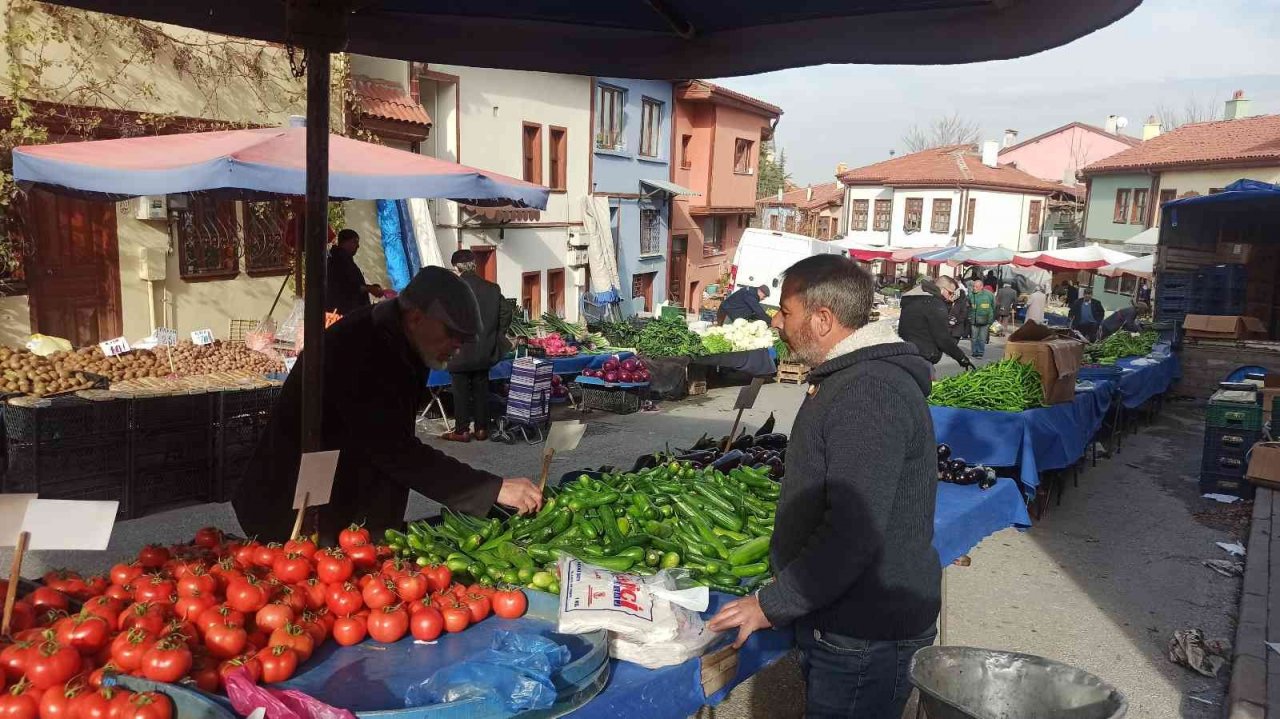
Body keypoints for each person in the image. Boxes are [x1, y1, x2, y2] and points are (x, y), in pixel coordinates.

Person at [708, 255, 940, 719]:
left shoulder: (868, 392)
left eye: (785, 311)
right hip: (846, 616)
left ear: (822, 320)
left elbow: (853, 529)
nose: (776, 322)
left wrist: (773, 605)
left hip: (864, 631)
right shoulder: (850, 379)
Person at [234, 266, 543, 544]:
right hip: (295, 500)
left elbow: (391, 442)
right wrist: (490, 489)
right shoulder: (360, 348)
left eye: (464, 339)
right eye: (452, 334)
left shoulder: (405, 338)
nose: (458, 346)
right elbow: (394, 448)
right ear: (416, 317)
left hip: (345, 492)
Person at [443, 250, 513, 443]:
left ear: (456, 268)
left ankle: (462, 430)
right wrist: (496, 333)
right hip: (483, 350)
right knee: (481, 389)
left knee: (460, 391)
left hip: (459, 350)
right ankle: (481, 429)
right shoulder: (492, 288)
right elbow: (506, 312)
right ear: (474, 266)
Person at [897, 279, 973, 371]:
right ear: (943, 289)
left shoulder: (912, 299)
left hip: (907, 351)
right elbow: (943, 339)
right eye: (950, 293)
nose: (951, 297)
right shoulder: (935, 304)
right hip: (925, 355)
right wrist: (961, 358)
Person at [325, 229, 384, 316]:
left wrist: (372, 288)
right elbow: (347, 286)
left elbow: (354, 283)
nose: (358, 246)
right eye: (355, 242)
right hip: (344, 314)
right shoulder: (338, 260)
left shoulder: (344, 259)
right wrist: (369, 288)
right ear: (345, 242)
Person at [968, 279, 996, 358]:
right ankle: (974, 352)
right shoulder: (970, 295)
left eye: (976, 287)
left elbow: (994, 306)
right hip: (974, 320)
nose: (974, 288)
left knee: (982, 338)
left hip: (985, 320)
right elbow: (968, 306)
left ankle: (980, 352)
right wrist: (969, 316)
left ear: (981, 287)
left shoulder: (989, 295)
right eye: (974, 286)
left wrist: (991, 319)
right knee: (974, 338)